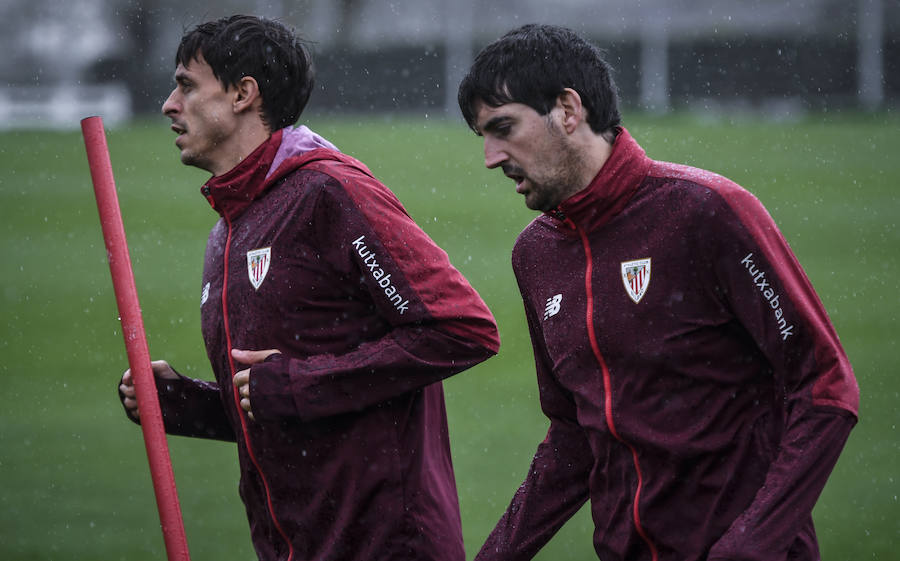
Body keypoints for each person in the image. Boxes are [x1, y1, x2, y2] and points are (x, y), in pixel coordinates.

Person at [457, 23, 859, 561]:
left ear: (568, 110)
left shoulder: (707, 212)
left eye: (503, 127)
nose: (489, 156)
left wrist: (750, 543)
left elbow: (825, 387)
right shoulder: (535, 254)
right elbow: (573, 435)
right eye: (483, 135)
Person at [117, 15, 500, 561]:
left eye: (185, 85)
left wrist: (302, 384)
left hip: (386, 546)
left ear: (243, 94)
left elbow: (462, 329)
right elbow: (284, 400)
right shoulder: (231, 225)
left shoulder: (330, 193)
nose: (168, 105)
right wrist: (192, 405)